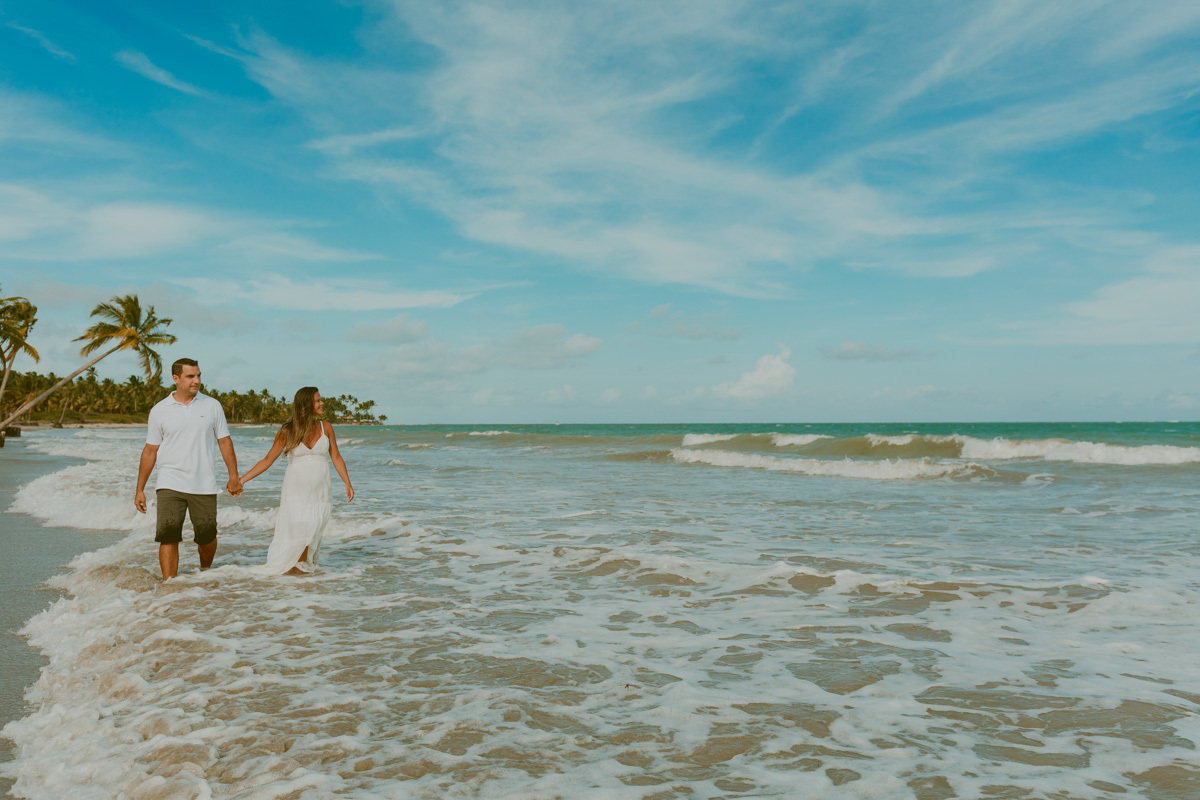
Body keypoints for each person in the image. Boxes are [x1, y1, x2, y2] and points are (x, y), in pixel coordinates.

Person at [135, 358, 241, 581]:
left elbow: (224, 442)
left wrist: (234, 476)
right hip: (170, 481)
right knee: (168, 535)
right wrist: (140, 489)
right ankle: (169, 585)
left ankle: (205, 572)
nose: (197, 380)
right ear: (176, 378)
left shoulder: (212, 405)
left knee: (206, 535)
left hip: (204, 483)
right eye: (190, 376)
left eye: (198, 375)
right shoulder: (159, 410)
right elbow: (150, 450)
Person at [239, 386, 353, 575]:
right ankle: (298, 575)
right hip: (295, 492)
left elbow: (336, 457)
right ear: (306, 404)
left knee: (312, 532)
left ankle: (300, 573)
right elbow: (267, 460)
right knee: (301, 533)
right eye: (317, 400)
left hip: (320, 493)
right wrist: (242, 480)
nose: (322, 403)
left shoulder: (326, 427)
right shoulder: (287, 430)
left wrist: (347, 483)